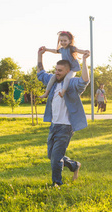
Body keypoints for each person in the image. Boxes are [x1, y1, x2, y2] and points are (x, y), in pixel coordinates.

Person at [36, 46, 90, 186]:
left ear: (68, 71)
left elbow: (85, 80)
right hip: (54, 125)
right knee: (51, 156)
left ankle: (56, 184)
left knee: (55, 159)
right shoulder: (53, 82)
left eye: (60, 71)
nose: (56, 73)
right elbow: (41, 73)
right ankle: (74, 165)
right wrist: (40, 56)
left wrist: (84, 61)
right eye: (56, 70)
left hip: (66, 127)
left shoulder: (71, 84)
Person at [40, 31, 90, 98]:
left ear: (69, 41)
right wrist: (46, 49)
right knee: (52, 78)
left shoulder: (71, 48)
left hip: (72, 69)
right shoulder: (62, 49)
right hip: (65, 69)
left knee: (67, 79)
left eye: (65, 41)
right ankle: (46, 93)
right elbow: (55, 51)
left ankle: (62, 92)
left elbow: (79, 50)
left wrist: (85, 52)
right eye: (61, 41)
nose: (63, 42)